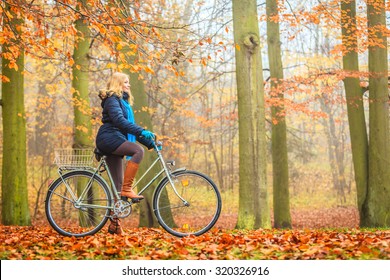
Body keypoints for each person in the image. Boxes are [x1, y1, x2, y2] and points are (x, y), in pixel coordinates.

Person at [96, 72, 155, 235]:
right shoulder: (112, 100)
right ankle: (127, 189)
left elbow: (129, 127)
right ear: (118, 84)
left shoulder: (122, 102)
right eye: (126, 82)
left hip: (115, 138)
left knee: (117, 186)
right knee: (137, 151)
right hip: (109, 138)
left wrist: (151, 143)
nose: (129, 85)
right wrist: (143, 131)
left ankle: (115, 224)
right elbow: (120, 122)